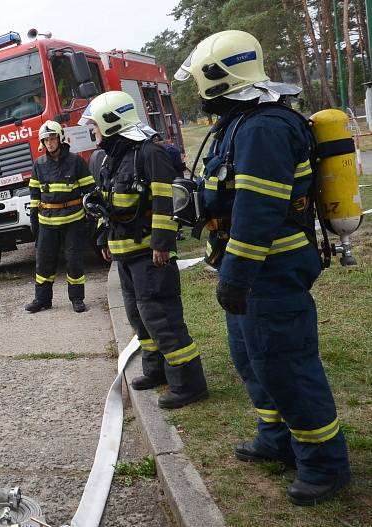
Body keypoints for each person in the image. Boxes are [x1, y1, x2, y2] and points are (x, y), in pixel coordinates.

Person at [175, 29, 350, 504]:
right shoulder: (240, 123)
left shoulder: (263, 128)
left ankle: (324, 464)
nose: (196, 89)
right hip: (251, 270)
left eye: (199, 80)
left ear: (219, 76)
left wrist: (237, 274)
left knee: (287, 365)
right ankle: (277, 440)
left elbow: (258, 211)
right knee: (253, 360)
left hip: (270, 269)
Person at [79, 91, 208, 409]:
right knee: (140, 317)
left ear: (112, 121)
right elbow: (104, 202)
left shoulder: (150, 154)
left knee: (162, 317)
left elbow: (168, 202)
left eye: (95, 124)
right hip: (125, 254)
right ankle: (157, 370)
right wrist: (102, 239)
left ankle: (189, 383)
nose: (92, 130)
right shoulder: (110, 157)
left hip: (151, 253)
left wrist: (162, 244)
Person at [26, 120, 95, 313]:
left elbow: (90, 192)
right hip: (47, 222)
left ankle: (76, 299)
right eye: (46, 139)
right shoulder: (39, 165)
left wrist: (89, 220)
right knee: (43, 261)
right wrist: (35, 223)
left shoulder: (76, 161)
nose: (49, 143)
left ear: (60, 138)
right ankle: (42, 300)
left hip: (73, 221)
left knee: (74, 260)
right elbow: (34, 197)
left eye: (53, 138)